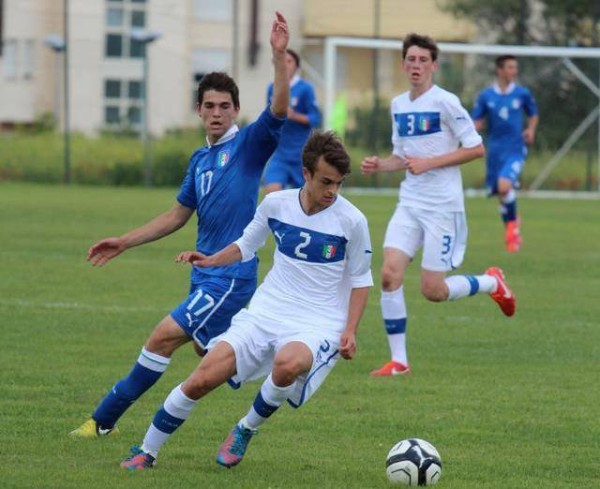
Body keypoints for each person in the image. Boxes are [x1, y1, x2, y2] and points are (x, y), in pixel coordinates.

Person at [70, 11, 291, 438]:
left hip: (230, 274)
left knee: (162, 337)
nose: (217, 113)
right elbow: (177, 215)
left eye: (224, 106)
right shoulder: (200, 159)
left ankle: (102, 420)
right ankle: (278, 365)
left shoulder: (248, 145)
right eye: (209, 106)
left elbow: (279, 108)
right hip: (202, 274)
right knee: (211, 355)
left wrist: (278, 56)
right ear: (198, 110)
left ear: (236, 110)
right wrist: (124, 241)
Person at [119, 131, 373, 470]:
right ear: (306, 173)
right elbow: (245, 245)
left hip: (318, 321)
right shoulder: (276, 204)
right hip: (266, 311)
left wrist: (351, 330)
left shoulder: (352, 221)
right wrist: (211, 260)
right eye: (326, 182)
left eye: (339, 183)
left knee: (288, 364)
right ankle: (146, 451)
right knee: (202, 378)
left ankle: (245, 428)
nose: (333, 191)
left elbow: (361, 280)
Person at [362, 33, 516, 378]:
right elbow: (403, 156)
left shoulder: (446, 102)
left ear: (433, 65)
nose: (416, 66)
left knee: (433, 290)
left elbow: (476, 148)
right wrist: (381, 165)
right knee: (388, 275)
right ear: (403, 65)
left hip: (442, 207)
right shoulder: (398, 105)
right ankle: (399, 361)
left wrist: (430, 163)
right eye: (411, 60)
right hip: (409, 203)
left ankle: (492, 283)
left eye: (423, 60)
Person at [472, 55, 539, 253]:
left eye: (515, 67)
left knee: (504, 186)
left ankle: (512, 230)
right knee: (502, 195)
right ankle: (512, 226)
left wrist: (531, 130)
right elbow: (476, 119)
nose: (514, 71)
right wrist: (473, 128)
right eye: (510, 67)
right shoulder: (486, 96)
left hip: (516, 148)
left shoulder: (522, 93)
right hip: (495, 151)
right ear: (499, 70)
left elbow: (533, 114)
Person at [263, 48, 321, 194]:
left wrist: (294, 115)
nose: (285, 65)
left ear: (296, 66)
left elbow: (315, 118)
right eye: (282, 61)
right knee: (272, 192)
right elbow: (268, 119)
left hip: (301, 155)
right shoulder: (272, 88)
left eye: (289, 61)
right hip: (279, 154)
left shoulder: (305, 88)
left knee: (305, 198)